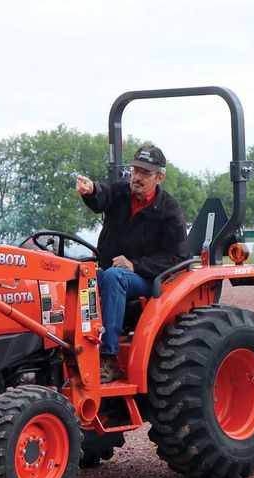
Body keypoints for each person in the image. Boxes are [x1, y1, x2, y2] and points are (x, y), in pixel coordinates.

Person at [75, 145, 189, 382]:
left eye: (144, 173)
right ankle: (66, 348)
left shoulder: (169, 210)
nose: (137, 177)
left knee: (113, 277)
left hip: (148, 278)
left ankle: (107, 357)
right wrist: (90, 190)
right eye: (135, 170)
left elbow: (176, 258)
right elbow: (103, 195)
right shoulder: (122, 194)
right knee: (75, 275)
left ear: (159, 177)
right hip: (111, 271)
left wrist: (135, 265)